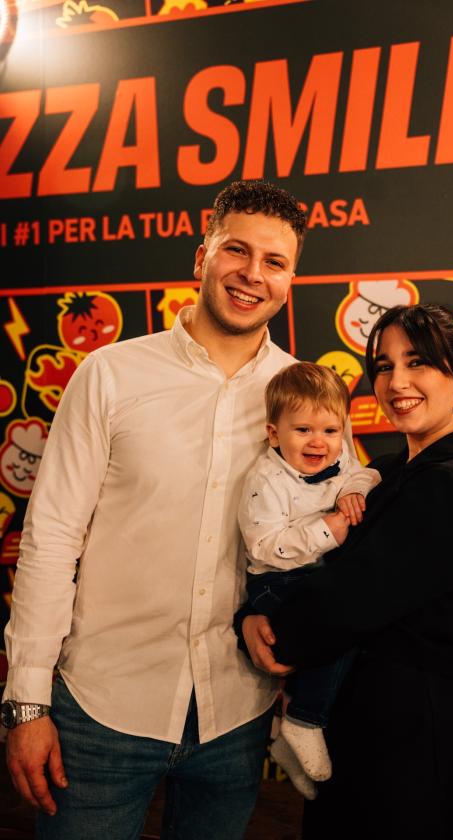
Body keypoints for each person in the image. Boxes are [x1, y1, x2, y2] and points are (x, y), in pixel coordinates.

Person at [1, 179, 308, 840]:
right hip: (100, 711)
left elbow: (323, 545)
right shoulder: (110, 375)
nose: (252, 274)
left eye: (275, 261)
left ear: (290, 280)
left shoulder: (305, 397)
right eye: (237, 250)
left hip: (237, 714)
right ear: (202, 256)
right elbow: (51, 537)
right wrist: (26, 702)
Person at [241, 303, 453, 839]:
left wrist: (263, 626)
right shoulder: (385, 470)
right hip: (362, 719)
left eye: (417, 362)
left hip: (413, 733)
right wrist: (251, 616)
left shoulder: (450, 482)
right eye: (384, 366)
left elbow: (350, 599)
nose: (396, 381)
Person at [238, 362, 380, 799]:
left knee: (353, 627)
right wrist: (327, 530)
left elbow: (366, 472)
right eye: (303, 430)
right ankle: (303, 721)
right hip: (275, 580)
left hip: (317, 572)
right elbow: (264, 547)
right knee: (334, 625)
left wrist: (355, 488)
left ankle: (290, 732)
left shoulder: (338, 459)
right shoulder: (265, 480)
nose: (319, 442)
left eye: (330, 431)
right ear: (274, 433)